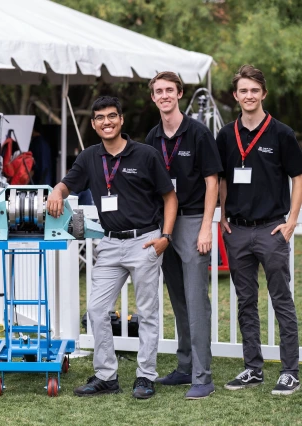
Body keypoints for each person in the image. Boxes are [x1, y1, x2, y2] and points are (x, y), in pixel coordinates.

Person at [47, 96, 177, 399]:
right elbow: (69, 183)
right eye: (100, 118)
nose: (107, 122)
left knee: (146, 312)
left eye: (112, 116)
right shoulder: (89, 156)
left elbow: (170, 197)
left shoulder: (145, 155)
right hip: (109, 244)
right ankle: (106, 376)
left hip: (145, 241)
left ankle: (145, 376)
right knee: (96, 310)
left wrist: (165, 238)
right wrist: (57, 190)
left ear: (121, 120)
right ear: (93, 124)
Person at [218, 65, 302, 396]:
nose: (249, 96)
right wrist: (223, 214)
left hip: (271, 229)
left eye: (255, 90)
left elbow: (298, 177)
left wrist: (292, 219)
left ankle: (290, 371)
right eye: (243, 91)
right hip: (237, 231)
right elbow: (222, 177)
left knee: (282, 299)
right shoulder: (226, 135)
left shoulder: (282, 133)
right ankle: (252, 368)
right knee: (245, 301)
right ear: (236, 95)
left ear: (263, 94)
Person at [145, 72, 222, 399]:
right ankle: (185, 366)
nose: (164, 96)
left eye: (169, 90)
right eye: (158, 91)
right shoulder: (152, 137)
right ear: (153, 97)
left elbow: (212, 182)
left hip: (191, 221)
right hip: (165, 224)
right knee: (177, 299)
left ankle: (203, 377)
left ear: (179, 94)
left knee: (195, 300)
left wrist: (206, 226)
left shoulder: (198, 133)